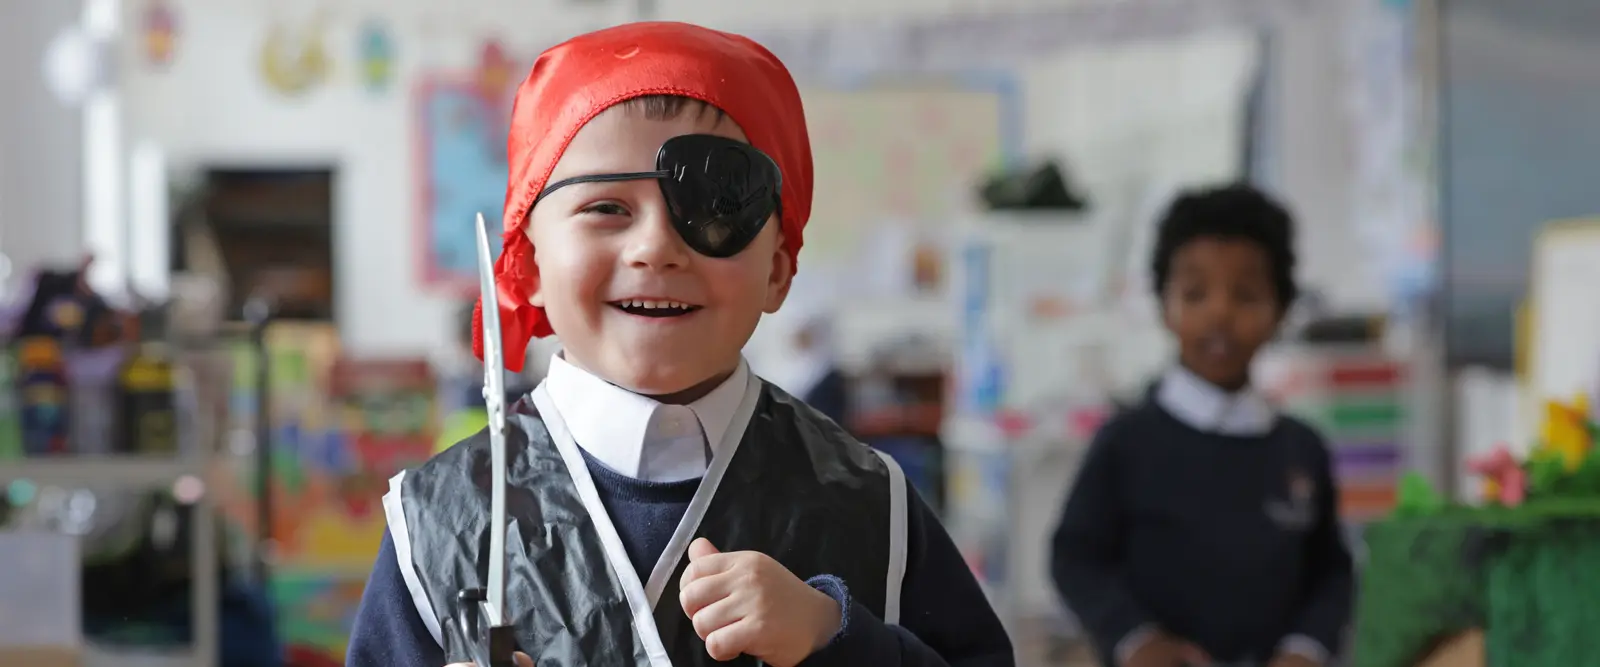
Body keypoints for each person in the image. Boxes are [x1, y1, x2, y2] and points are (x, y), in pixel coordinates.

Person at [345, 21, 1013, 667]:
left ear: (778, 268)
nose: (656, 247)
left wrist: (833, 639)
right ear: (527, 264)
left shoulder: (873, 503)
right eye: (607, 208)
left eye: (715, 209)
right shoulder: (436, 522)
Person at [1050, 184, 1353, 667]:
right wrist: (1135, 639)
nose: (1220, 313)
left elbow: (1332, 573)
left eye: (1246, 295)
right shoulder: (1126, 441)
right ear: (1164, 306)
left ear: (1279, 311)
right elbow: (1075, 558)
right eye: (1195, 294)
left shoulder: (1301, 449)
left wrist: (1307, 647)